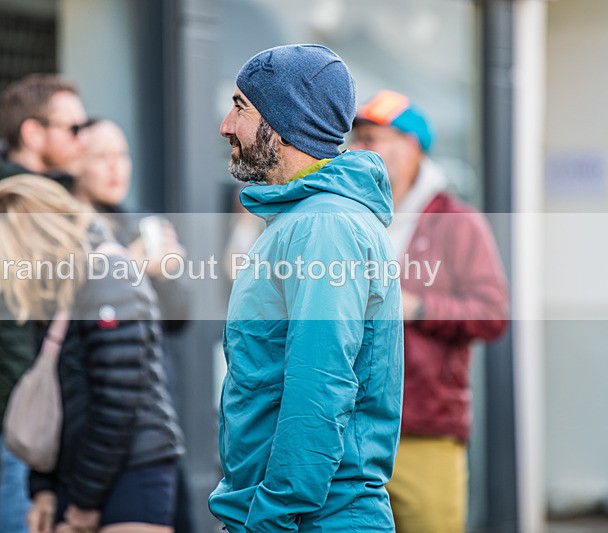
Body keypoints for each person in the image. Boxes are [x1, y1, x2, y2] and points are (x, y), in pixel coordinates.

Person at [208, 45, 404, 532]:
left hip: (309, 518)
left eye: (240, 107)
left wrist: (270, 517)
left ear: (284, 121)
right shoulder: (306, 219)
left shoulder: (325, 226)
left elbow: (320, 386)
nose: (226, 126)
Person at [0, 175, 184, 533]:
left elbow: (119, 399)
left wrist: (84, 503)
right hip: (81, 475)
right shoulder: (56, 289)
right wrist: (44, 490)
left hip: (133, 472)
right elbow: (57, 399)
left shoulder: (108, 274)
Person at [350, 90, 509, 533]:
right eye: (356, 139)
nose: (359, 150)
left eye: (372, 139)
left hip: (424, 430)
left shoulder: (458, 220)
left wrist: (416, 307)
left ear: (412, 146)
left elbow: (492, 313)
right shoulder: (349, 217)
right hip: (348, 429)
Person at [0, 73, 96, 532]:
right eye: (73, 128)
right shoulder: (15, 206)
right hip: (32, 405)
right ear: (33, 133)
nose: (85, 138)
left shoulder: (37, 195)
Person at [72, 119, 194, 531]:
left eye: (122, 156)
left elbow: (180, 316)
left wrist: (164, 270)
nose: (115, 168)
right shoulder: (64, 233)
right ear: (76, 163)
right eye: (102, 157)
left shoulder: (142, 224)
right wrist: (133, 266)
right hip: (87, 427)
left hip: (146, 425)